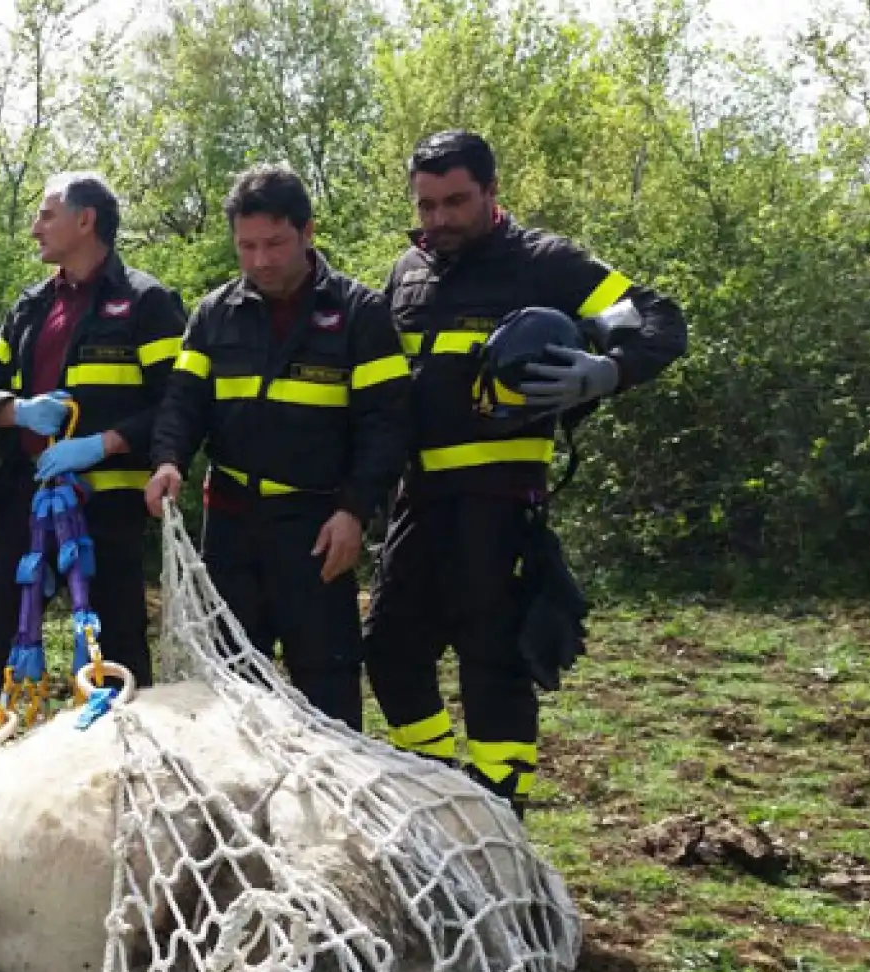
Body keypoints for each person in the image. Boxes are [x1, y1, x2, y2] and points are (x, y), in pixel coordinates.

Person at [363, 130, 688, 815]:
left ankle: (498, 814)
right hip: (416, 501)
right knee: (390, 649)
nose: (440, 219)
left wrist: (608, 370)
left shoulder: (547, 263)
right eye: (426, 205)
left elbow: (658, 320)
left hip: (500, 501)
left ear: (491, 193)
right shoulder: (407, 272)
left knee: (493, 663)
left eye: (455, 202)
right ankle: (433, 785)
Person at [147, 165, 413, 725]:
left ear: (307, 232)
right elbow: (183, 402)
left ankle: (330, 803)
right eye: (247, 246)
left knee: (327, 682)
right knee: (227, 682)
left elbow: (385, 424)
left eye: (275, 243)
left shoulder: (359, 314)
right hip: (232, 524)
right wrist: (168, 460)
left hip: (316, 525)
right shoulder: (214, 314)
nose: (261, 260)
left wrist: (354, 511)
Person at [0, 173, 187, 745]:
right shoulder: (31, 307)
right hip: (25, 498)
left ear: (86, 221)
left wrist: (105, 444)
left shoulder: (145, 303)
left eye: (46, 214)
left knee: (114, 640)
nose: (35, 227)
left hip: (106, 508)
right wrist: (15, 410)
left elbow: (177, 404)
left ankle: (126, 766)